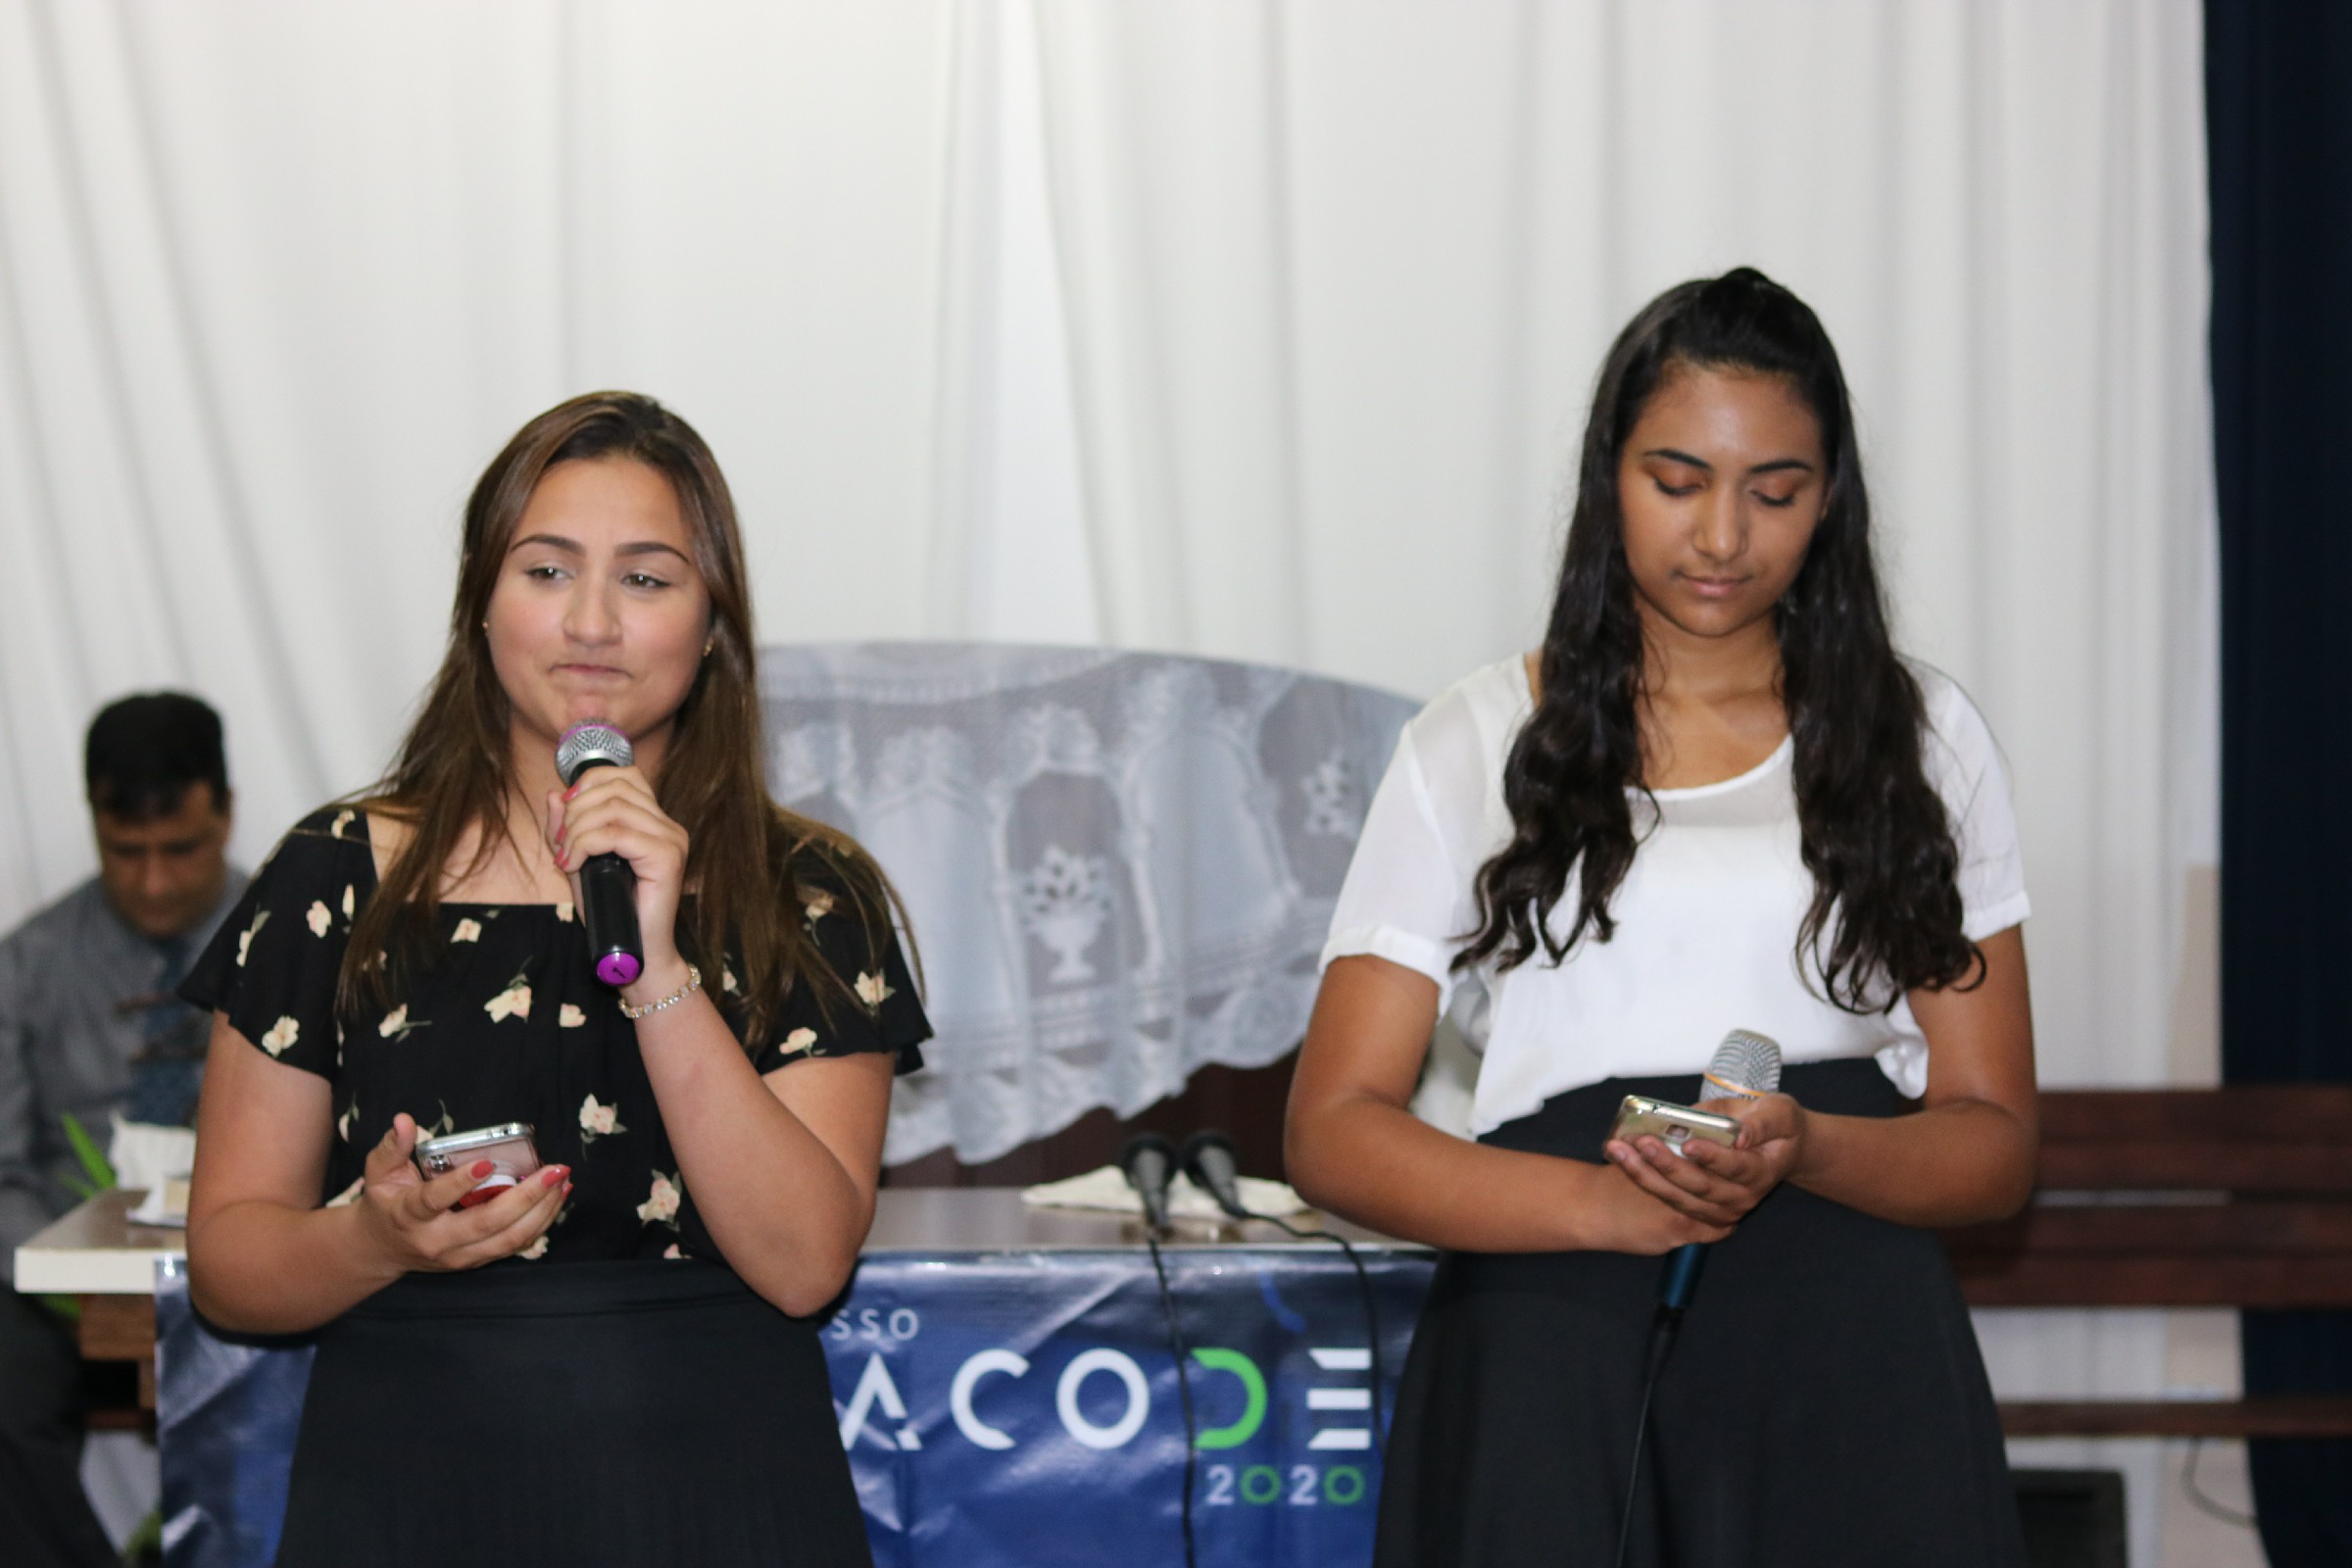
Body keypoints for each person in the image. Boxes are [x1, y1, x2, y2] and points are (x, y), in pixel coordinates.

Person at [1285, 270, 2036, 1567]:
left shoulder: (1921, 736)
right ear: (1609, 478)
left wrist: (1808, 1146)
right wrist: (1601, 1208)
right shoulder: (1477, 738)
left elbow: (1995, 1144)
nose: (1723, 537)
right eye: (1679, 482)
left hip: (1845, 1340)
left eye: (1775, 492)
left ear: (1830, 499)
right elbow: (1333, 1129)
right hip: (1551, 1323)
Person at [180, 392, 929, 1568]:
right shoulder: (336, 874)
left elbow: (804, 1265)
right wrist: (376, 1240)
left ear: (713, 623)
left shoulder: (810, 892)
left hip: (721, 1488)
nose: (591, 622)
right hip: (406, 1484)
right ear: (480, 603)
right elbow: (228, 1267)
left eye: (646, 579)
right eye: (546, 570)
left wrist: (659, 963)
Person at [0, 692, 244, 1567]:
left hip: (257, 1259)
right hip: (57, 1283)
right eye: (125, 852)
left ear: (226, 813)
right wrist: (80, 1285)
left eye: (181, 849)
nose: (153, 883)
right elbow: (2, 1170)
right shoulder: (28, 965)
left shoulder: (299, 944)